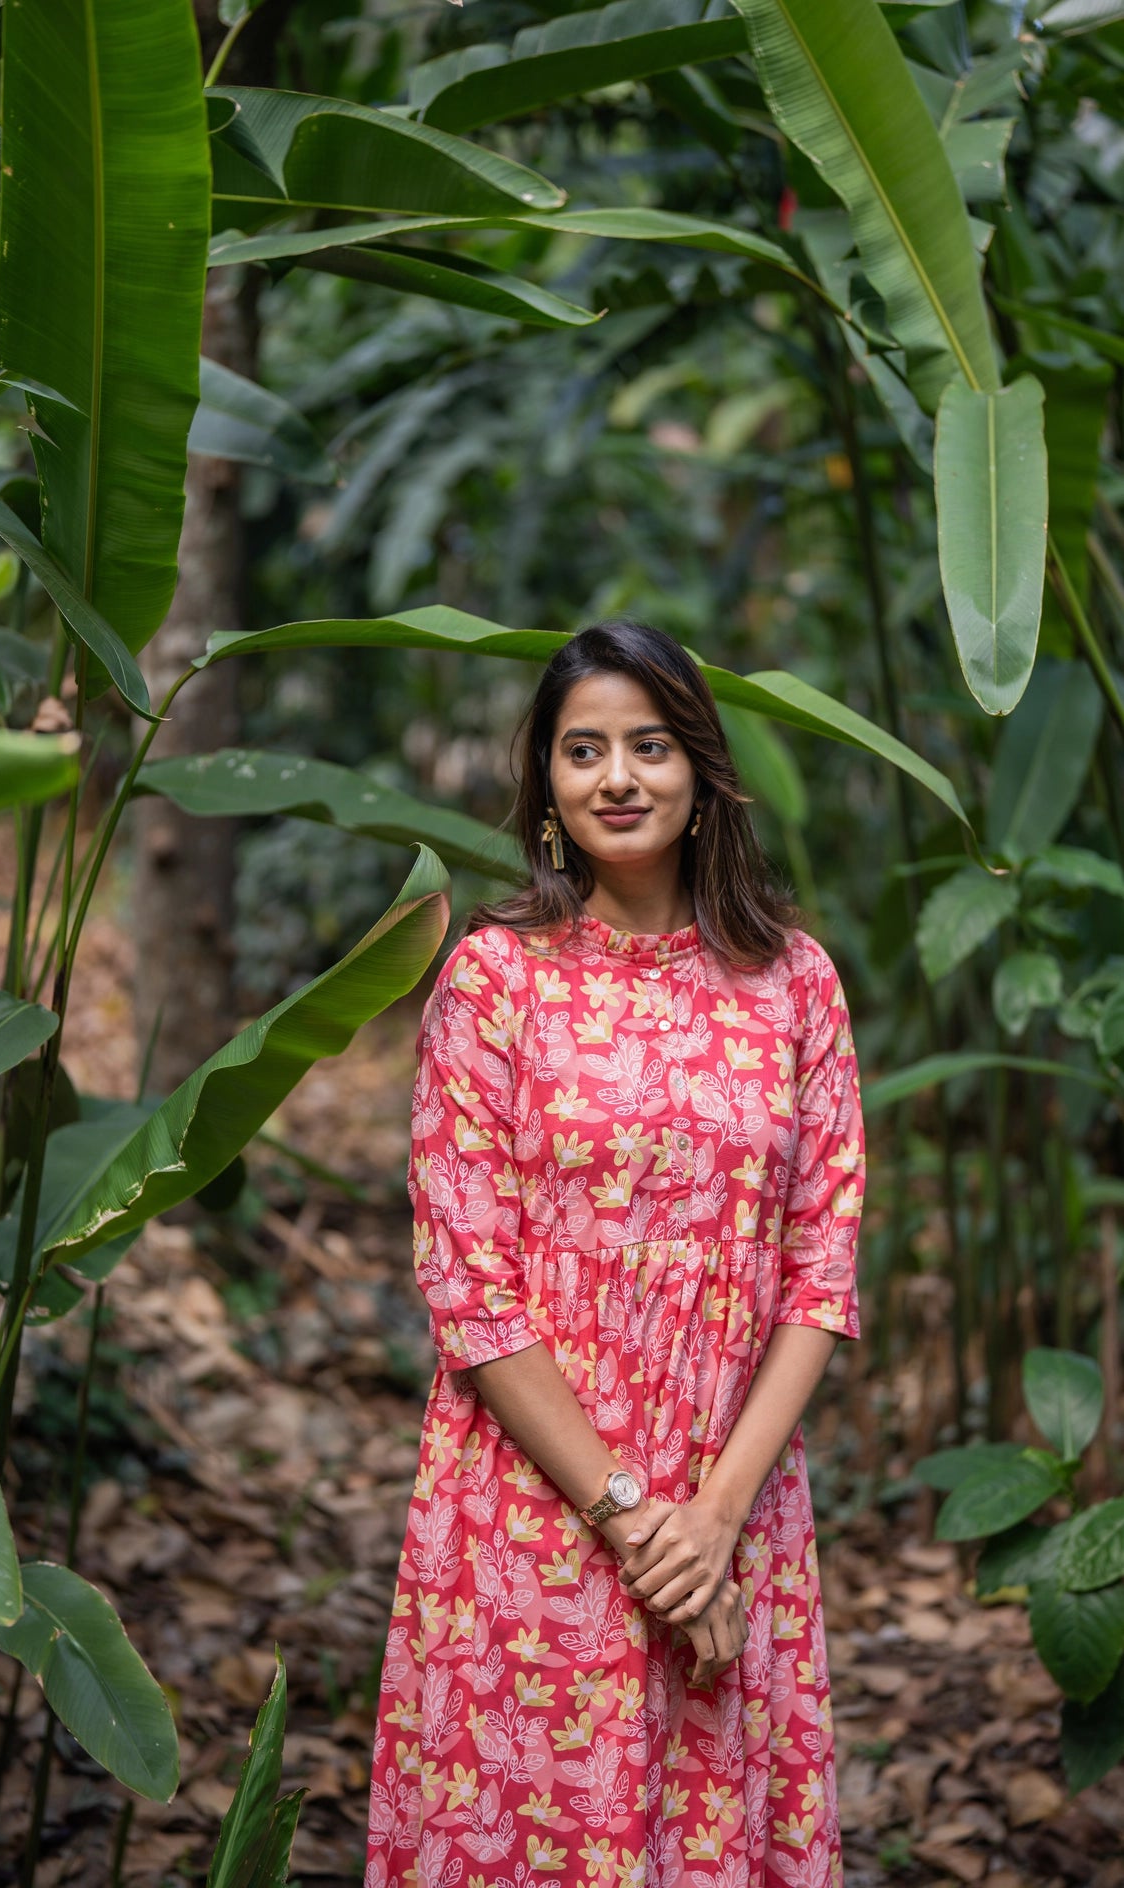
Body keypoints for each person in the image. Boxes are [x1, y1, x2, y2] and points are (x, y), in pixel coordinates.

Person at [365, 620, 865, 1888]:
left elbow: (820, 1267)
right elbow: (468, 1292)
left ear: (699, 770)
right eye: (582, 750)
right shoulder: (492, 983)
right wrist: (636, 1521)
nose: (617, 778)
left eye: (648, 745)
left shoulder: (793, 981)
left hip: (731, 1495)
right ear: (546, 784)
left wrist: (711, 1516)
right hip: (535, 1506)